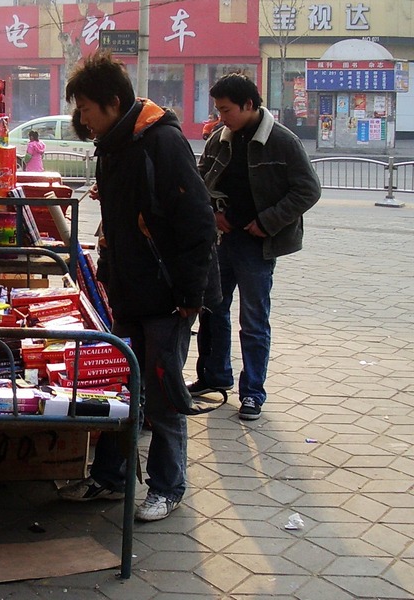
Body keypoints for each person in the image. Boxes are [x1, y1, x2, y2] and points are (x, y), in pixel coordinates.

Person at [58, 52, 217, 522]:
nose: (82, 118)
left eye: (86, 108)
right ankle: (111, 477)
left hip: (166, 295)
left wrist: (191, 297)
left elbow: (199, 223)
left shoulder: (160, 143)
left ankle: (168, 487)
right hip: (128, 288)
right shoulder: (113, 144)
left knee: (163, 395)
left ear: (112, 102)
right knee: (120, 389)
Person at [192, 73, 321, 420]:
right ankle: (213, 376)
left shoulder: (282, 141)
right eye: (218, 110)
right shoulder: (221, 138)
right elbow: (201, 179)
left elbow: (308, 190)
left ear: (249, 105)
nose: (221, 117)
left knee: (253, 320)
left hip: (257, 245)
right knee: (213, 309)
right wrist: (214, 213)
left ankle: (252, 393)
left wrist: (268, 221)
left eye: (226, 109)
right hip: (223, 240)